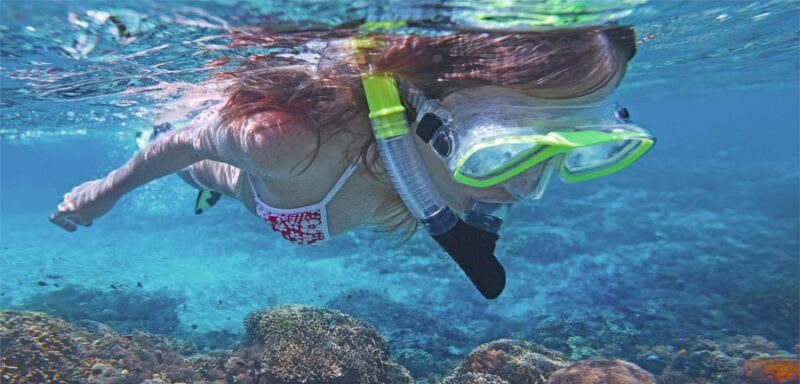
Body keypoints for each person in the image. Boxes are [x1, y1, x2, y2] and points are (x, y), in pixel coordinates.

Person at [50, 26, 654, 298]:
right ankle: (180, 157)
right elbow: (183, 146)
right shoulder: (284, 141)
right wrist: (102, 193)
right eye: (503, 148)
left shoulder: (464, 161)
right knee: (206, 172)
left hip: (322, 203)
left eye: (568, 149)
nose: (528, 187)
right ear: (422, 109)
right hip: (275, 195)